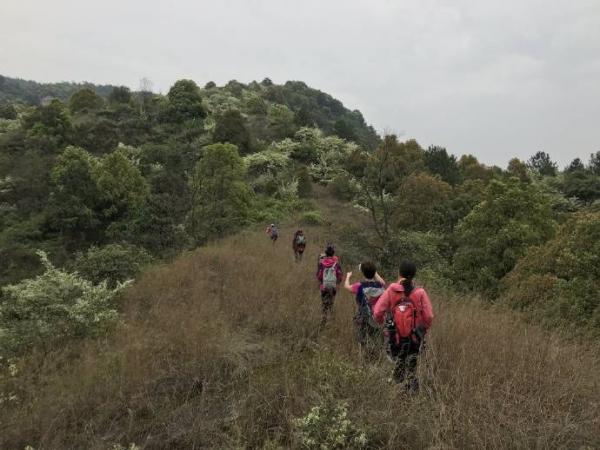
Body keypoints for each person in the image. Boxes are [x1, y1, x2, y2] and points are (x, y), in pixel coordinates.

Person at [373, 260, 433, 392]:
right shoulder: (420, 292)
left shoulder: (391, 290)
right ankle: (410, 390)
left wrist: (383, 323)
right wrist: (423, 329)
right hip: (414, 337)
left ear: (399, 273)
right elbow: (429, 316)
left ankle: (397, 390)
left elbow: (377, 312)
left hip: (395, 336)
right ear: (414, 275)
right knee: (412, 364)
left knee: (397, 363)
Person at [344, 261, 386, 357]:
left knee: (361, 339)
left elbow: (346, 286)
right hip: (376, 317)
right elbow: (383, 282)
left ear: (363, 273)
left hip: (363, 316)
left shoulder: (359, 286)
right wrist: (374, 272)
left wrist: (348, 276)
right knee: (375, 338)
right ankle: (375, 356)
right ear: (374, 273)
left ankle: (362, 357)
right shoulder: (380, 285)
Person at [316, 243, 343, 324]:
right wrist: (337, 283)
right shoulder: (336, 264)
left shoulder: (322, 263)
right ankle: (331, 320)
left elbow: (319, 276)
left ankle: (323, 319)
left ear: (326, 253)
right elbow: (340, 276)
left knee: (324, 303)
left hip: (323, 286)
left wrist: (321, 282)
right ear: (333, 253)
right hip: (333, 286)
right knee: (331, 302)